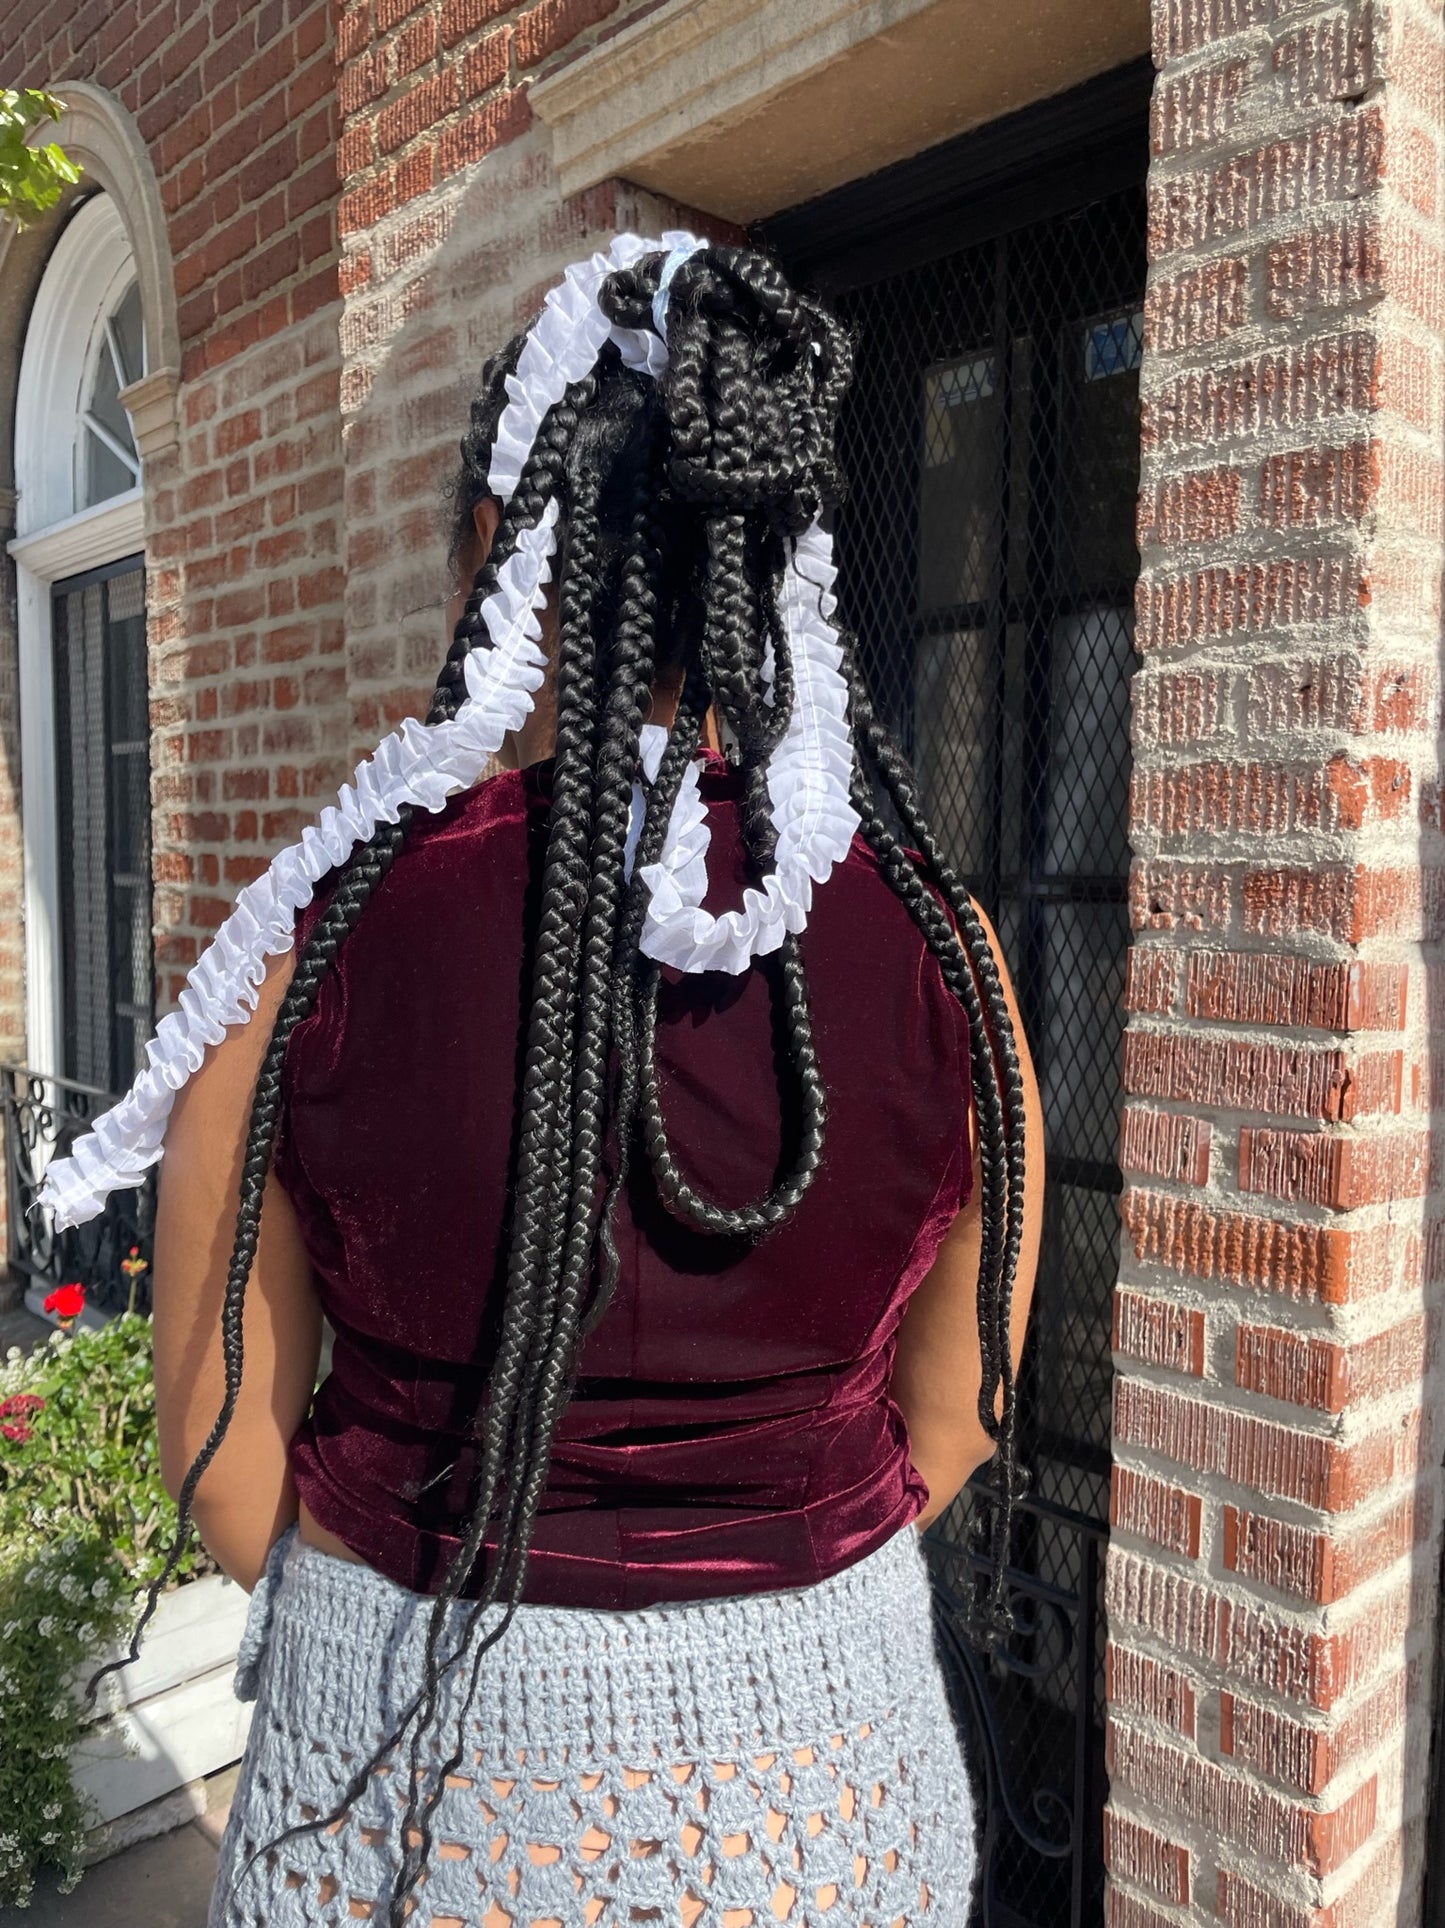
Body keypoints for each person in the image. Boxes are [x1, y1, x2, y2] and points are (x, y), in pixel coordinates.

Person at [47, 235, 1043, 1927]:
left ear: (500, 564)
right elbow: (961, 1413)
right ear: (770, 563)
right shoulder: (951, 949)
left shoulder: (314, 944)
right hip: (833, 1796)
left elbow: (223, 1464)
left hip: (412, 1795)